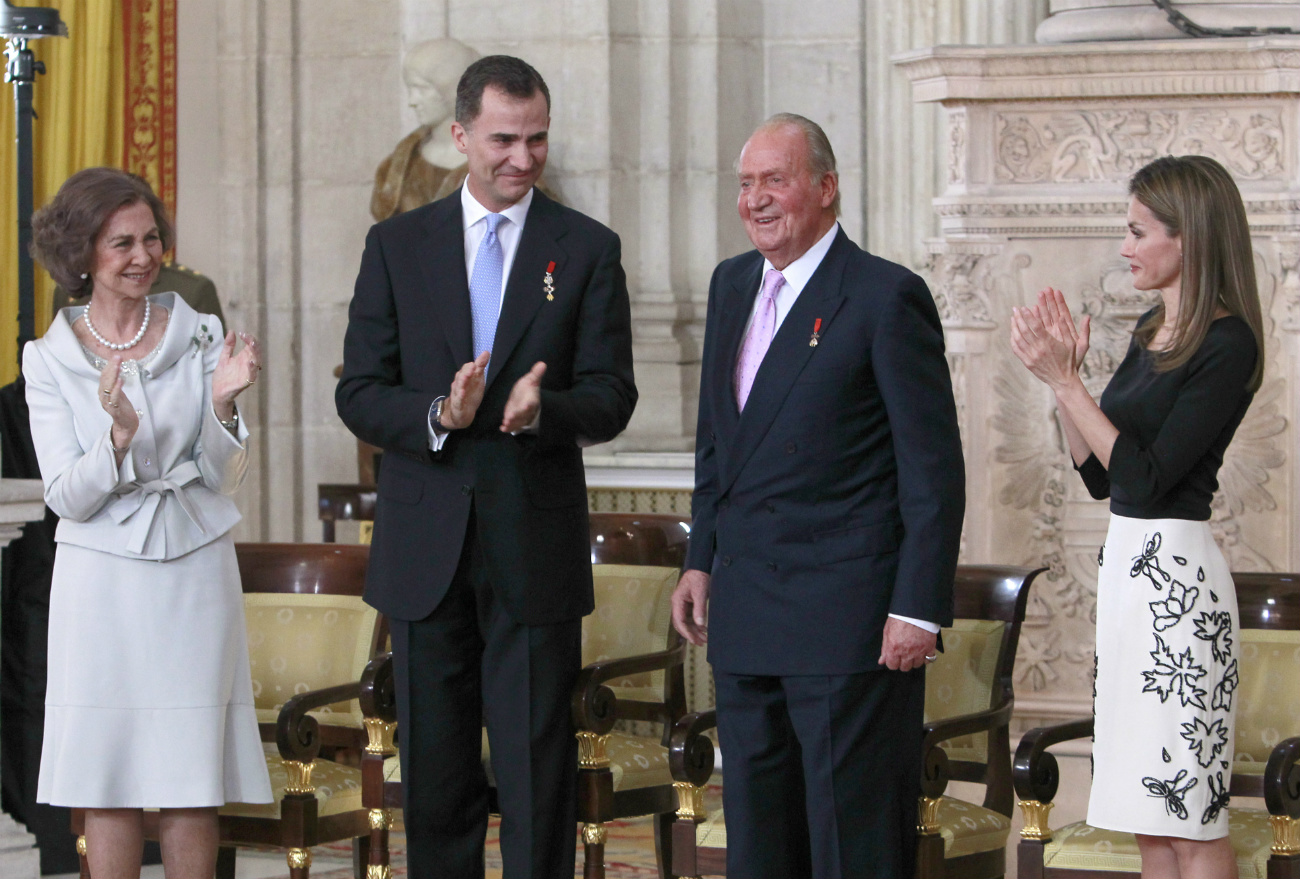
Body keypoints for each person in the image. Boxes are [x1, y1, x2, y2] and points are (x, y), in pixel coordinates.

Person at [336, 55, 636, 879]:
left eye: (537, 139)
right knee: (435, 777)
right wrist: (439, 414)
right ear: (462, 135)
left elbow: (613, 395)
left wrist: (547, 412)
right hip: (423, 550)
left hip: (531, 548)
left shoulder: (585, 249)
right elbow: (360, 391)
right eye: (505, 138)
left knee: (539, 774)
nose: (524, 158)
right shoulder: (396, 245)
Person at [670, 113, 966, 878]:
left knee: (851, 848)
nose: (756, 200)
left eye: (776, 180)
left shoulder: (883, 295)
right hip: (745, 616)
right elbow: (717, 443)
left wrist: (918, 607)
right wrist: (700, 558)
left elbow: (932, 470)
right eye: (745, 183)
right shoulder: (731, 284)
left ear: (826, 188)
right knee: (761, 846)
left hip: (848, 625)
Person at [1010, 155, 1263, 879]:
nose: (1125, 247)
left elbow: (1149, 479)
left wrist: (1067, 381)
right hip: (1129, 579)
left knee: (1191, 818)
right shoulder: (1151, 327)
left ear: (1189, 237)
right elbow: (1100, 474)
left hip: (1180, 588)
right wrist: (1067, 387)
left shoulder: (1228, 341)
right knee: (1149, 822)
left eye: (1137, 231)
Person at [23, 167, 268, 879]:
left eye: (151, 237)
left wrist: (224, 405)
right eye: (120, 242)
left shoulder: (201, 337)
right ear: (81, 255)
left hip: (193, 566)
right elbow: (67, 494)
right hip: (98, 580)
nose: (142, 255)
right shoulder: (49, 361)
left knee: (192, 775)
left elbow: (223, 474)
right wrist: (117, 440)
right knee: (110, 776)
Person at [370, 38, 481, 221]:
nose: (412, 101)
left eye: (421, 89)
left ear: (450, 90)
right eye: (411, 90)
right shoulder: (400, 164)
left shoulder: (500, 163)